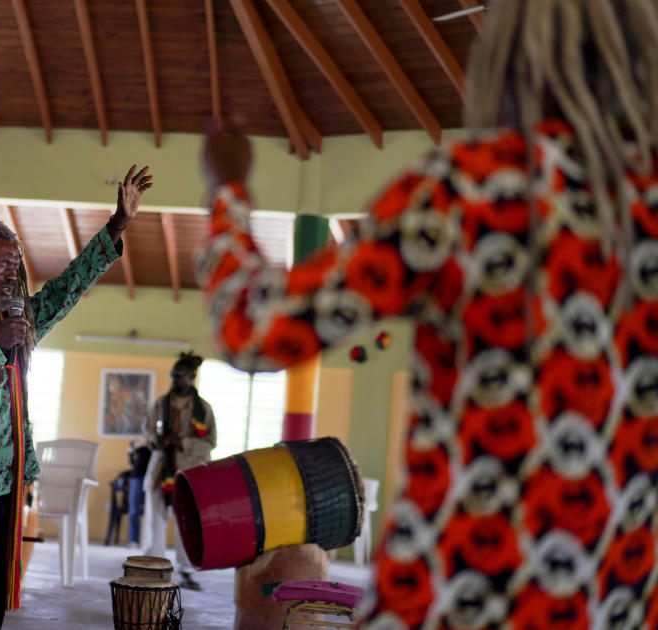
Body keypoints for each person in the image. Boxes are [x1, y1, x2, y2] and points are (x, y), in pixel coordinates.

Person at [196, 1, 658, 627]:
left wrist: (226, 191)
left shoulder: (470, 192)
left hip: (457, 600)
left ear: (517, 63)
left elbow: (255, 329)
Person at [0, 165, 152, 629]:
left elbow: (68, 287)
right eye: (4, 262)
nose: (13, 273)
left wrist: (117, 225)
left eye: (16, 264)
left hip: (7, 486)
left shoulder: (21, 325)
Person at [141, 351, 216, 591]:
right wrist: (157, 441)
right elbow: (147, 430)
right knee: (156, 519)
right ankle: (155, 566)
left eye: (181, 376)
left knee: (187, 522)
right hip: (160, 469)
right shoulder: (160, 404)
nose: (175, 381)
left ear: (192, 377)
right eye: (173, 376)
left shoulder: (203, 410)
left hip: (188, 473)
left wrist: (181, 441)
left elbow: (210, 441)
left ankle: (185, 570)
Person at [127, 440, 151, 548]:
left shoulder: (153, 445)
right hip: (136, 478)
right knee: (134, 510)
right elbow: (132, 462)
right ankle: (133, 540)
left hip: (150, 478)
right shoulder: (137, 448)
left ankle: (147, 540)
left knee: (150, 511)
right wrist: (131, 451)